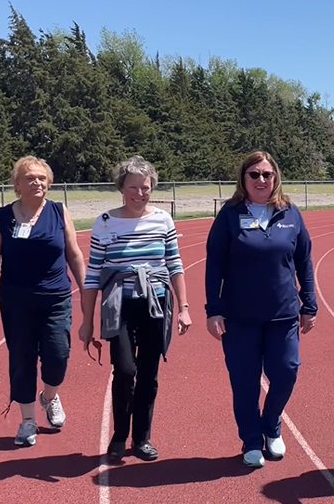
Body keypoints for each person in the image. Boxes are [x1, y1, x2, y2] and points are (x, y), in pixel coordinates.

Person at [204, 150, 317, 468]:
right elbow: (215, 265)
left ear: (276, 177)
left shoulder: (290, 212)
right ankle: (251, 440)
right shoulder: (229, 214)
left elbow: (304, 261)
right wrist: (213, 310)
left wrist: (310, 303)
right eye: (254, 174)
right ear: (243, 179)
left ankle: (271, 425)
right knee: (245, 382)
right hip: (239, 318)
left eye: (267, 174)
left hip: (283, 314)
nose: (261, 180)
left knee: (286, 372)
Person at [78, 155, 191, 462]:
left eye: (146, 187)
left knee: (149, 374)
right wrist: (87, 320)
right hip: (120, 306)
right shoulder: (104, 222)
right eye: (134, 187)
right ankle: (119, 435)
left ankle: (141, 438)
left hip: (155, 305)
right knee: (125, 370)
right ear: (121, 188)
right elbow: (93, 274)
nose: (140, 193)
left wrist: (184, 307)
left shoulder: (163, 220)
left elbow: (174, 264)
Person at [0, 156, 86, 447]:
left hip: (56, 298)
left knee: (58, 356)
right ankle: (27, 420)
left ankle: (49, 396)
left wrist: (87, 291)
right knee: (21, 361)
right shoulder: (2, 217)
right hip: (16, 301)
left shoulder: (60, 212)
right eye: (30, 178)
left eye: (42, 178)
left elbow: (74, 254)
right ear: (17, 184)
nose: (37, 182)